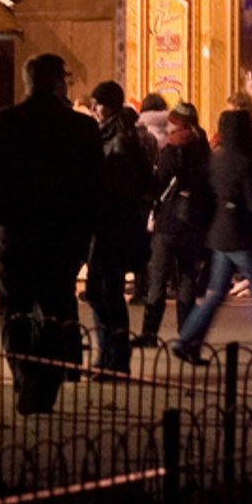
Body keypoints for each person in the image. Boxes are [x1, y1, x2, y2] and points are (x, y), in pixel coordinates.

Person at [0, 53, 102, 415]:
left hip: (13, 237)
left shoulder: (1, 123)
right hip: (63, 238)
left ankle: (26, 375)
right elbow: (95, 187)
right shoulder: (81, 128)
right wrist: (90, 231)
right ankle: (46, 381)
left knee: (15, 310)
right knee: (57, 308)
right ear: (59, 83)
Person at [170, 109, 252, 366]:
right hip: (242, 236)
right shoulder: (249, 163)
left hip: (219, 234)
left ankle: (187, 340)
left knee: (216, 292)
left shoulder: (218, 159)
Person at [85, 80, 153, 374]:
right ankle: (110, 354)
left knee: (105, 291)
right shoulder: (112, 134)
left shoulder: (120, 139)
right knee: (100, 290)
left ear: (109, 106)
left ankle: (115, 356)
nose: (93, 110)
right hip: (108, 223)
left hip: (112, 225)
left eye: (97, 104)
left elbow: (121, 184)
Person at [134, 101, 213, 348]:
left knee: (158, 277)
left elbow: (158, 185)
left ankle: (149, 333)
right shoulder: (203, 149)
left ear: (177, 123)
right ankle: (186, 332)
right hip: (193, 222)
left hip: (169, 221)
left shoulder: (173, 149)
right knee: (187, 276)